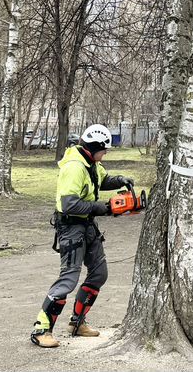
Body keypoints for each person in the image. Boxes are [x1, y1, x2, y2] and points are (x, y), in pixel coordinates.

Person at [31, 124, 134, 348]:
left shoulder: (91, 162)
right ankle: (41, 329)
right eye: (104, 149)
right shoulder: (75, 166)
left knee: (99, 274)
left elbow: (102, 180)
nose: (106, 153)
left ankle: (77, 323)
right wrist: (103, 208)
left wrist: (120, 181)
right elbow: (69, 204)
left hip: (88, 225)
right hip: (71, 226)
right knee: (68, 278)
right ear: (95, 147)